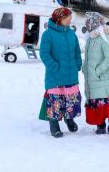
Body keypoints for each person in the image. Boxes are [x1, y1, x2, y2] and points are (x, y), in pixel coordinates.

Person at [38, 7, 82, 138]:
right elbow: (44, 54)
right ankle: (54, 124)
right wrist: (54, 66)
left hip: (71, 74)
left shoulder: (71, 33)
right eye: (67, 17)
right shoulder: (48, 34)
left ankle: (69, 119)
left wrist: (78, 64)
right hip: (55, 75)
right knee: (55, 101)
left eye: (70, 17)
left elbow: (77, 51)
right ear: (59, 19)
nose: (70, 20)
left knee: (70, 100)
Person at [82, 12, 109, 135]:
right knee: (96, 101)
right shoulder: (90, 39)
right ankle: (100, 124)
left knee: (106, 101)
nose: (87, 25)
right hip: (92, 77)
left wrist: (97, 71)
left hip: (102, 76)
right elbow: (88, 58)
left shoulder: (105, 37)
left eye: (89, 23)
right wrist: (85, 69)